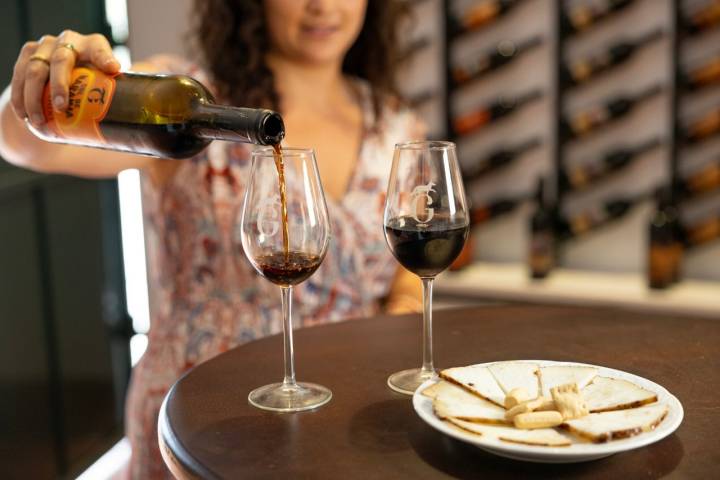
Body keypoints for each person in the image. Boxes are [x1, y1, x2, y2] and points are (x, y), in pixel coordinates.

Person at [0, 0, 425, 477]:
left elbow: (406, 269)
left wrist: (394, 332)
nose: (322, 6)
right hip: (196, 428)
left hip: (335, 424)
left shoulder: (395, 124)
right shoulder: (185, 103)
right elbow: (21, 140)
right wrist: (45, 81)